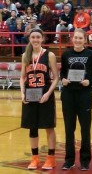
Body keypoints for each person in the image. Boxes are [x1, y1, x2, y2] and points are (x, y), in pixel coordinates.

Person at [60, 28, 92, 171]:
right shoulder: (66, 55)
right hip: (68, 95)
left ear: (84, 40)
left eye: (80, 38)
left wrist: (89, 81)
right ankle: (69, 160)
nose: (77, 40)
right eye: (75, 38)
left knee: (85, 129)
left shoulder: (91, 55)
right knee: (69, 129)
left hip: (84, 95)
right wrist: (63, 79)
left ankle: (85, 160)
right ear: (72, 39)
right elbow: (63, 72)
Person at [20, 28, 59, 170]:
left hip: (44, 94)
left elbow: (56, 78)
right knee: (32, 127)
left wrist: (48, 93)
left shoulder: (49, 55)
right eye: (33, 37)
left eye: (38, 37)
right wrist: (22, 94)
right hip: (30, 95)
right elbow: (23, 77)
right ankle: (35, 158)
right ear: (29, 39)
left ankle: (51, 158)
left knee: (49, 126)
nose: (35, 40)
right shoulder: (25, 55)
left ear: (42, 38)